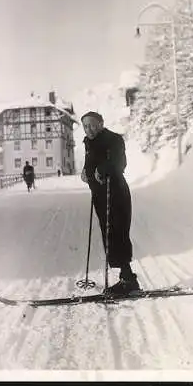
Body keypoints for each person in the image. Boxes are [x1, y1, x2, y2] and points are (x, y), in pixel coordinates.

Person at [81, 111, 141, 295]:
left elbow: (119, 162)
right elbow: (91, 164)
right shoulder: (89, 143)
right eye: (85, 126)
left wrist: (104, 168)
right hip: (100, 194)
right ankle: (126, 278)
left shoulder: (113, 139)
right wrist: (85, 171)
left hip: (115, 192)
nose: (88, 129)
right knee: (109, 236)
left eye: (92, 124)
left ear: (101, 123)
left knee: (117, 233)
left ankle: (129, 281)